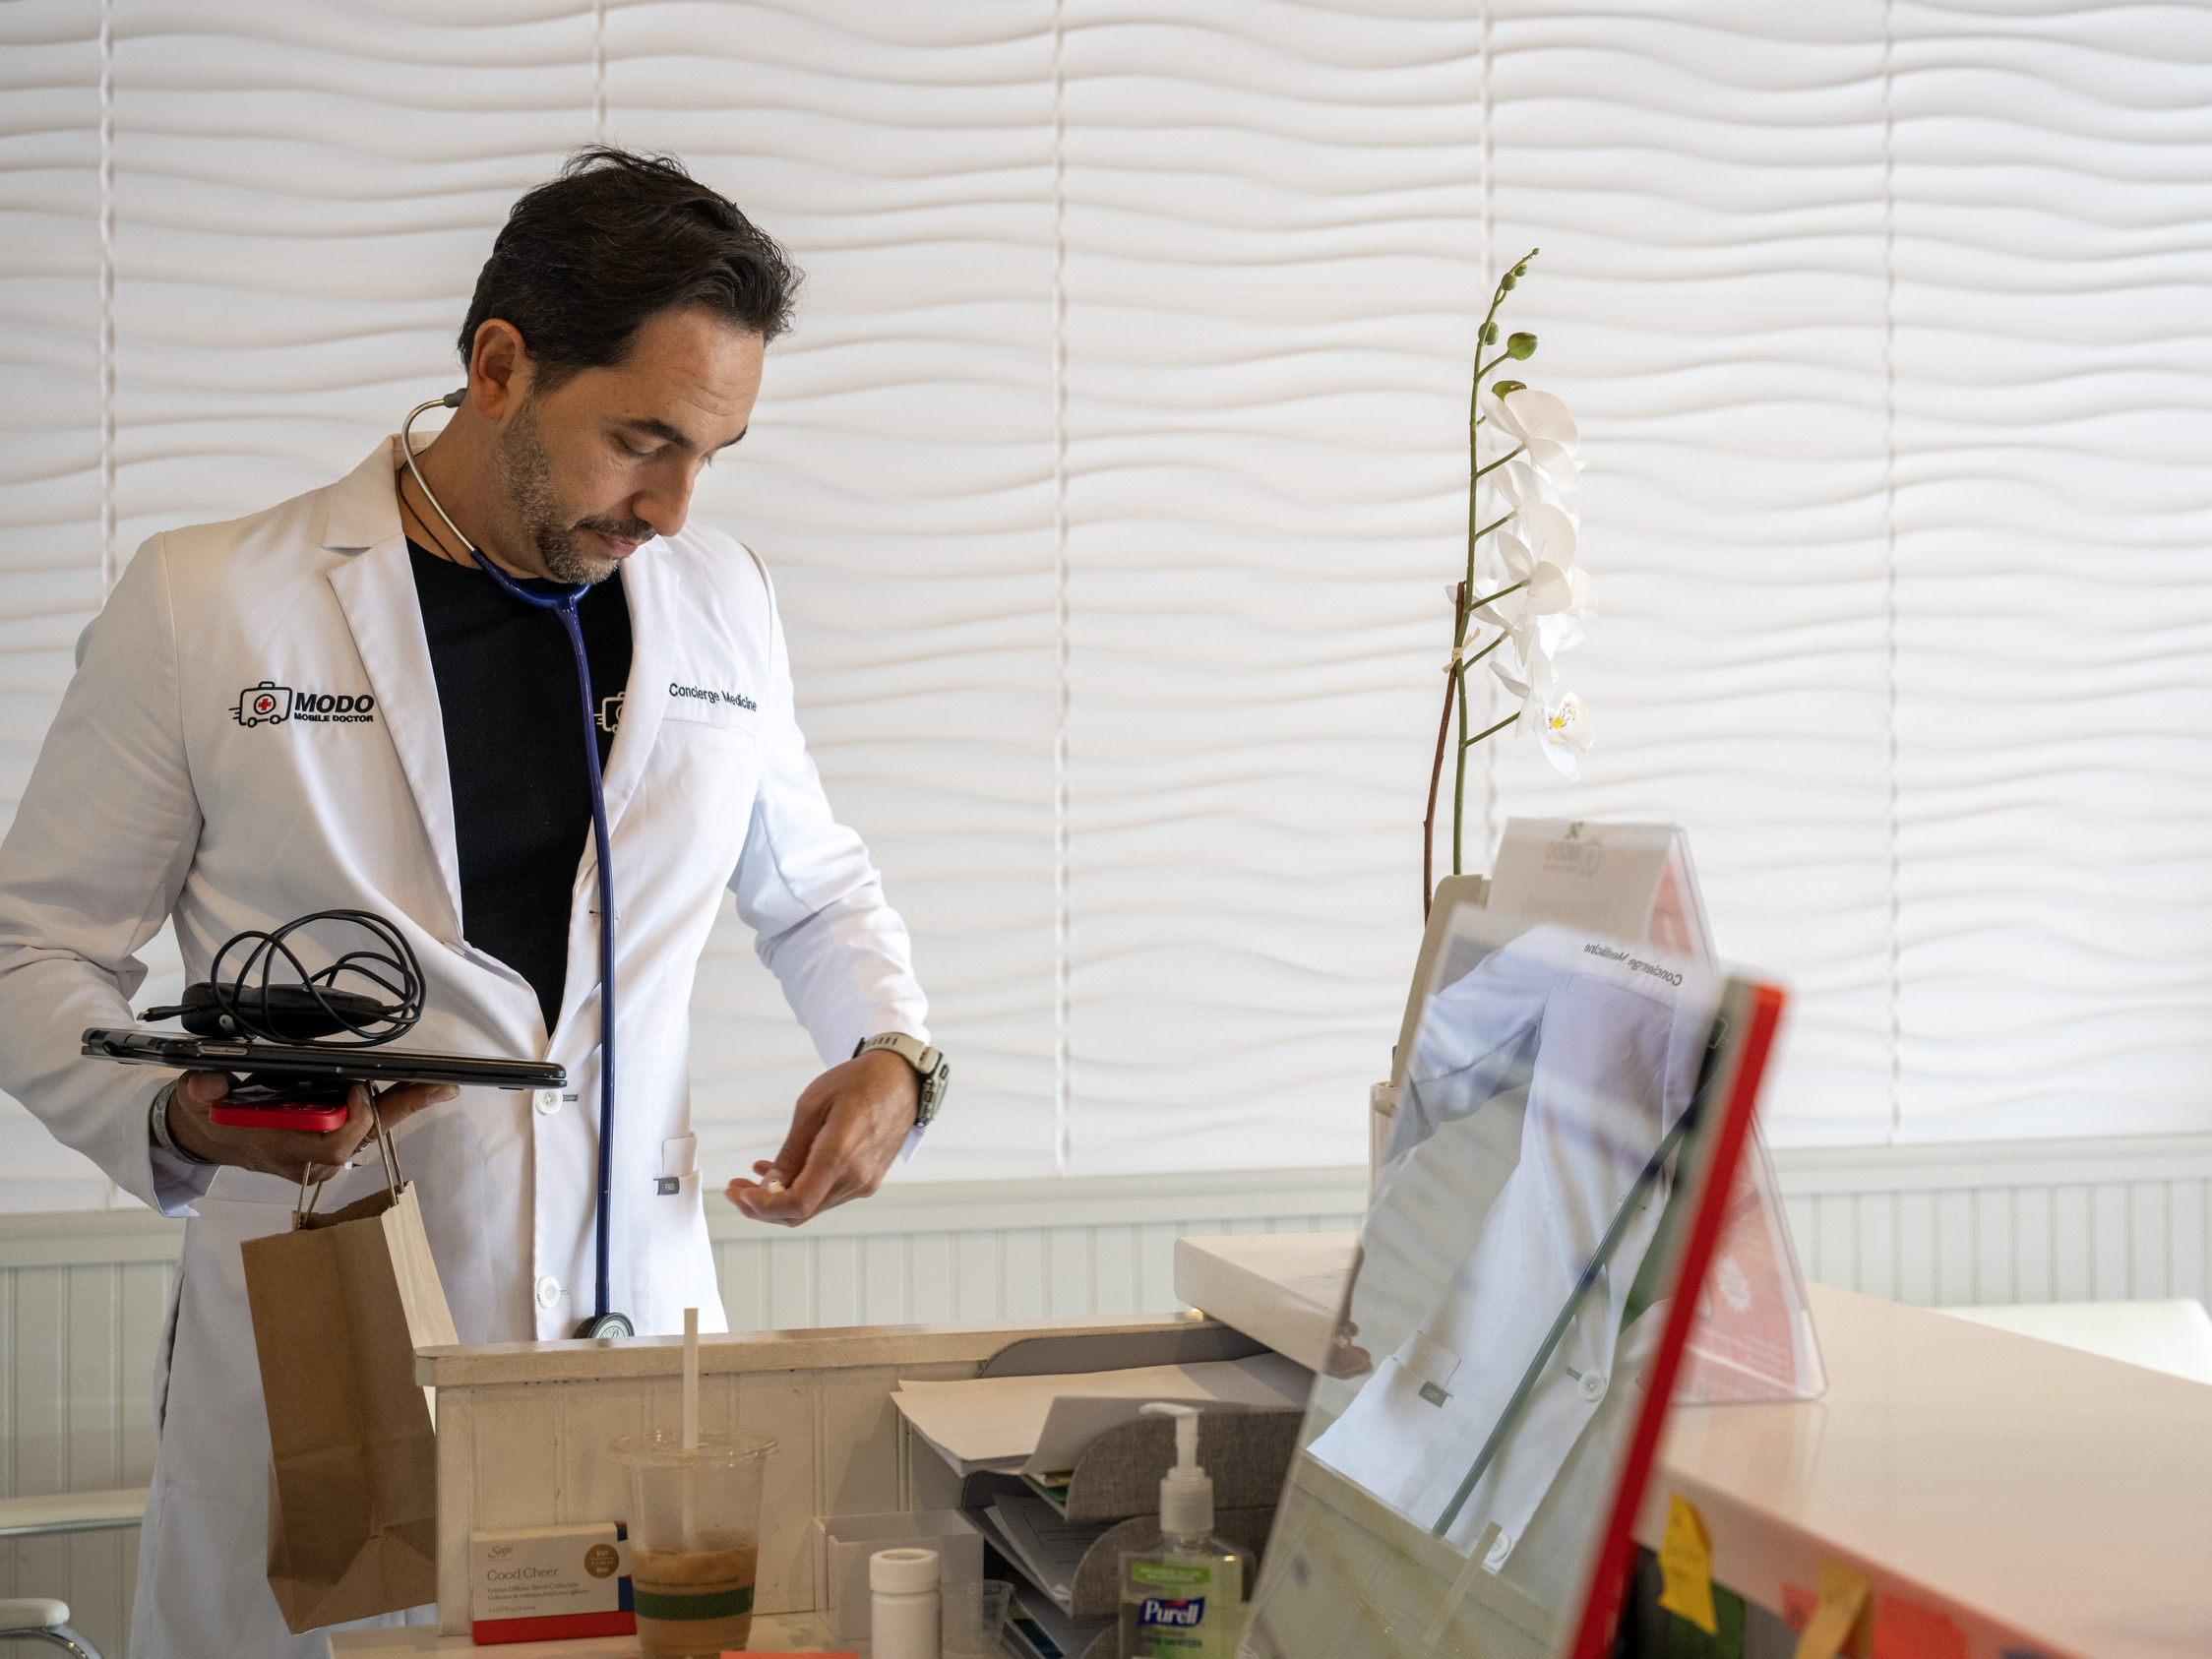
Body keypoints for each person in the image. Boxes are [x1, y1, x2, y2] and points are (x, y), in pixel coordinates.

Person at [0, 148, 944, 1655]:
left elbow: (817, 886)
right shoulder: (212, 603)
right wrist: (179, 1117)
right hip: (329, 1343)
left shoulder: (723, 604)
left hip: (643, 1366)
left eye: (712, 454)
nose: (674, 506)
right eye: (640, 440)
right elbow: (32, 946)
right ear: (498, 367)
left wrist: (893, 1052)